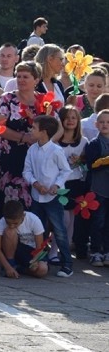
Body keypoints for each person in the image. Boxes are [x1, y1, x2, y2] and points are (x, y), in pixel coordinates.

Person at [23, 115, 73, 277]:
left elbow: (65, 170)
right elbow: (27, 171)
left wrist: (56, 186)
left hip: (53, 197)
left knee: (59, 230)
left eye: (34, 128)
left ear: (44, 132)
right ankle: (40, 261)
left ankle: (67, 264)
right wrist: (36, 183)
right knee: (38, 230)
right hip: (37, 196)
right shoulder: (32, 149)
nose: (31, 130)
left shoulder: (56, 150)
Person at [0, 61, 45, 209]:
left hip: (37, 159)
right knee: (10, 204)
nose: (21, 80)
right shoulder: (7, 99)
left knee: (35, 204)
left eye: (25, 76)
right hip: (11, 159)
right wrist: (24, 138)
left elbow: (53, 126)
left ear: (36, 80)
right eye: (18, 76)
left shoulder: (44, 101)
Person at [56, 106, 89, 263]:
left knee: (72, 220)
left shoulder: (83, 141)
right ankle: (54, 250)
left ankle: (66, 249)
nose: (70, 121)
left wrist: (80, 160)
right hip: (60, 183)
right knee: (62, 219)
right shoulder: (55, 141)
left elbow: (86, 162)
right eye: (67, 117)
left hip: (76, 182)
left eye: (73, 118)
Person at [0, 200, 49, 279]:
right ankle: (11, 264)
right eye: (8, 223)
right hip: (13, 249)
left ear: (23, 215)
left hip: (31, 251)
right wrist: (7, 267)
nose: (12, 225)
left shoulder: (34, 220)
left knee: (42, 270)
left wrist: (35, 261)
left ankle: (20, 269)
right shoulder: (1, 222)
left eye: (15, 223)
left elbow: (39, 247)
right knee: (10, 231)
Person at [83, 109, 109, 267]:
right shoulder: (94, 144)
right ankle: (95, 251)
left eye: (108, 122)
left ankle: (107, 250)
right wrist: (104, 161)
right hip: (98, 188)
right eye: (102, 122)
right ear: (96, 124)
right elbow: (91, 165)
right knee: (98, 221)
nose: (105, 125)